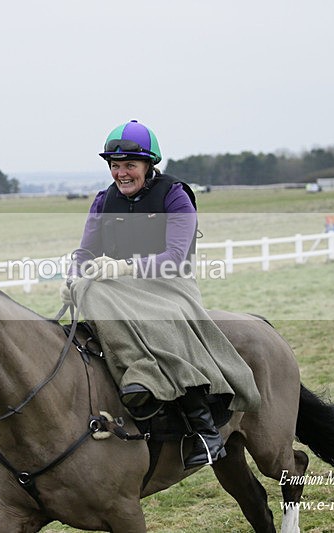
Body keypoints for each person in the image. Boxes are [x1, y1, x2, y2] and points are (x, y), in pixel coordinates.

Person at [61, 120, 261, 469]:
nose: (121, 173)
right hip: (119, 290)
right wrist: (73, 276)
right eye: (115, 165)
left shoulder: (175, 196)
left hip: (170, 286)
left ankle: (204, 428)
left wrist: (124, 267)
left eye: (129, 165)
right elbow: (85, 252)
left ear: (148, 164)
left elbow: (175, 257)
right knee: (88, 292)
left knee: (104, 297)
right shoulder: (103, 201)